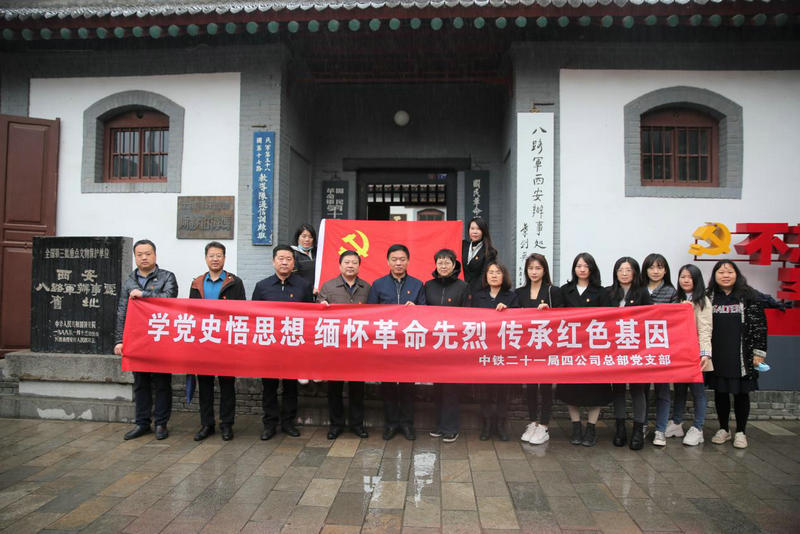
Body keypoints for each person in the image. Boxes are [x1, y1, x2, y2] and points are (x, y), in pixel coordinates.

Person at [115, 239, 178, 441]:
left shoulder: (167, 277)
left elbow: (169, 298)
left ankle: (161, 423)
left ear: (155, 255)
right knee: (140, 383)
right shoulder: (129, 281)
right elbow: (122, 312)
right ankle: (142, 423)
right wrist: (119, 340)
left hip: (161, 338)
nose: (144, 257)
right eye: (140, 254)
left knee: (162, 383)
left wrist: (143, 294)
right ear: (135, 257)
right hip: (137, 340)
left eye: (148, 253)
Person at [252, 244, 314, 440]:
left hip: (293, 347)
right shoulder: (262, 286)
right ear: (273, 262)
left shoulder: (303, 286)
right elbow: (253, 317)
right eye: (281, 258)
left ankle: (288, 422)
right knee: (269, 387)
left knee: (290, 387)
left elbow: (310, 316)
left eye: (289, 259)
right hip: (269, 347)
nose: (285, 262)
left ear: (294, 262)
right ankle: (269, 424)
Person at [706, 260, 767, 449]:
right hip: (718, 354)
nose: (725, 275)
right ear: (715, 276)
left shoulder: (749, 296)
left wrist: (759, 352)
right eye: (721, 272)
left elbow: (759, 326)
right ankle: (723, 429)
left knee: (741, 394)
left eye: (730, 272)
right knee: (720, 393)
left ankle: (741, 431)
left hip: (742, 356)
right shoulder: (709, 297)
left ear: (737, 275)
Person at [368, 244, 426, 440]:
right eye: (394, 259)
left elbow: (426, 311)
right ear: (388, 262)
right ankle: (391, 424)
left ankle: (407, 424)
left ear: (408, 261)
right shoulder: (378, 285)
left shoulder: (417, 284)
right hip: (386, 344)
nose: (398, 263)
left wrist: (415, 308)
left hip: (409, 344)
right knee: (388, 386)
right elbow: (370, 314)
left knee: (408, 386)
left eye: (402, 259)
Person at [189, 241, 246, 442]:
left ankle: (227, 424)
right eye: (211, 256)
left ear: (224, 258)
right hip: (203, 341)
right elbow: (190, 313)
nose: (215, 259)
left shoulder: (234, 282)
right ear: (206, 258)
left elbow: (241, 312)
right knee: (204, 386)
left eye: (219, 255)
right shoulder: (197, 283)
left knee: (227, 385)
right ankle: (207, 424)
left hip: (226, 342)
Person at [556, 252, 612, 447]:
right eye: (578, 266)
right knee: (571, 390)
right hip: (571, 349)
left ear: (592, 269)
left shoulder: (601, 292)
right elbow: (557, 317)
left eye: (585, 266)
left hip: (594, 349)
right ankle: (576, 427)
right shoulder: (565, 290)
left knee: (595, 391)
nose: (582, 269)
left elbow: (608, 320)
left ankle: (591, 428)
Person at [317, 250, 371, 439]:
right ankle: (336, 425)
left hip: (358, 346)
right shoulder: (328, 286)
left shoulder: (366, 287)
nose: (350, 265)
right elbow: (318, 310)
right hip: (335, 347)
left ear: (359, 266)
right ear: (340, 265)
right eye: (347, 262)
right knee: (335, 388)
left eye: (354, 262)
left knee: (358, 388)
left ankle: (357, 424)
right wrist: (321, 305)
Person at [515, 253, 562, 445]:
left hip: (547, 345)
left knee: (546, 386)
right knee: (531, 386)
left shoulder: (553, 291)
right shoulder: (519, 292)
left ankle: (544, 424)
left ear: (545, 270)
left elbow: (565, 317)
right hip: (527, 346)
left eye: (538, 268)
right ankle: (533, 422)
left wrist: (549, 312)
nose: (534, 272)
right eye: (530, 268)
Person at [471, 261, 519, 441]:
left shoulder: (511, 297)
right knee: (484, 390)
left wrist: (508, 312)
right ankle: (487, 424)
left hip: (503, 352)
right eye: (490, 272)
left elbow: (520, 320)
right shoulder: (478, 296)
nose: (493, 275)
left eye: (498, 272)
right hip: (483, 351)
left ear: (503, 276)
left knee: (502, 390)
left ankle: (500, 425)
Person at [607, 257, 652, 450]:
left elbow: (651, 317)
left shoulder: (642, 292)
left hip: (636, 349)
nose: (624, 273)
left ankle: (638, 429)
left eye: (628, 270)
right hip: (614, 349)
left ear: (635, 272)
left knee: (637, 389)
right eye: (620, 270)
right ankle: (620, 429)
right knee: (617, 388)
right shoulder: (609, 293)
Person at [424, 248, 469, 443]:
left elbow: (468, 315)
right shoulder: (428, 286)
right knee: (437, 387)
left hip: (454, 345)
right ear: (435, 265)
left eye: (447, 262)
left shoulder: (463, 286)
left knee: (451, 387)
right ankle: (439, 425)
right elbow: (423, 312)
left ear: (454, 265)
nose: (443, 266)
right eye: (440, 262)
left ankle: (451, 427)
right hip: (434, 345)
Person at [668, 264, 713, 446]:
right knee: (679, 390)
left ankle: (698, 428)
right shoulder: (676, 299)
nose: (686, 280)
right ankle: (677, 422)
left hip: (696, 355)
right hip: (679, 354)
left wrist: (705, 354)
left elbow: (705, 329)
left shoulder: (702, 301)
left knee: (698, 392)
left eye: (690, 277)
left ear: (697, 279)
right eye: (682, 277)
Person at [642, 253, 679, 447]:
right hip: (640, 348)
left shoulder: (671, 292)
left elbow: (675, 321)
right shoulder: (639, 290)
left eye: (660, 267)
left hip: (662, 348)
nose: (655, 271)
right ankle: (642, 424)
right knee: (642, 390)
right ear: (645, 270)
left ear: (665, 271)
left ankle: (660, 430)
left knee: (663, 390)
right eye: (651, 267)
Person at [461, 217, 498, 294]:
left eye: (478, 229)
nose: (475, 232)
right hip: (461, 291)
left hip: (478, 292)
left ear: (484, 231)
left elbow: (484, 275)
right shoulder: (463, 245)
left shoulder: (490, 252)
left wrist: (471, 292)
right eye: (472, 228)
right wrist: (456, 225)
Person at [291, 223, 317, 287]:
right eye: (304, 236)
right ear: (298, 237)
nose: (307, 239)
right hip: (301, 289)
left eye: (310, 237)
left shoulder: (317, 253)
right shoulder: (292, 253)